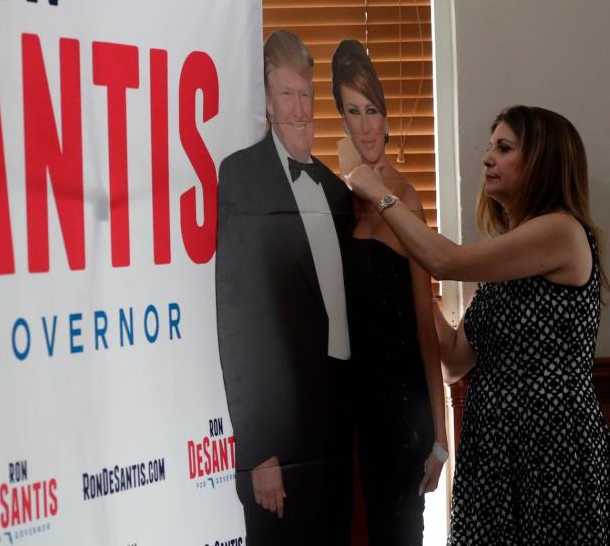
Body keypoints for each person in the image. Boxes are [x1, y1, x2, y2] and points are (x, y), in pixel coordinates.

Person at [346, 105, 610, 543]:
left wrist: (381, 194)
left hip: (551, 447)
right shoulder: (506, 261)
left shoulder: (563, 231)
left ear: (542, 163)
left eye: (503, 148)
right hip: (492, 446)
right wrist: (408, 275)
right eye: (489, 148)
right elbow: (452, 360)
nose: (487, 158)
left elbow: (445, 260)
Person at [216, 30, 354, 545]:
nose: (300, 109)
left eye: (306, 95)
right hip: (279, 441)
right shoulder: (241, 176)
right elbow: (236, 322)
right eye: (287, 95)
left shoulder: (338, 190)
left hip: (338, 424)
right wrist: (258, 451)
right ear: (268, 103)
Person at [330, 39, 448, 545]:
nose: (365, 125)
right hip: (349, 416)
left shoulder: (407, 200)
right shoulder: (337, 200)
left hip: (403, 417)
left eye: (372, 109)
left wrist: (442, 436)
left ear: (386, 113)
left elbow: (426, 327)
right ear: (342, 118)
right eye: (353, 111)